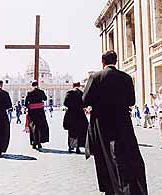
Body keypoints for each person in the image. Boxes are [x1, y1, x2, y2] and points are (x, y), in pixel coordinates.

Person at [83, 51, 148, 195]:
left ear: (102, 61)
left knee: (104, 155)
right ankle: (128, 187)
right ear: (116, 61)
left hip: (101, 122)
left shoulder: (95, 77)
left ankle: (109, 187)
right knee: (125, 153)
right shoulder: (126, 77)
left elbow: (85, 100)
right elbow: (131, 101)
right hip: (122, 121)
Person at [63, 82, 88, 154]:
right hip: (80, 114)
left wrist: (71, 106)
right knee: (80, 130)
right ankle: (78, 147)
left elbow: (65, 103)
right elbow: (85, 103)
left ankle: (70, 147)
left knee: (71, 131)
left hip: (71, 114)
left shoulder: (69, 92)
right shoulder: (81, 93)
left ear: (73, 86)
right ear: (79, 86)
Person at [25, 80, 49, 149]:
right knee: (40, 126)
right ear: (37, 85)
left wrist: (29, 107)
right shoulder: (41, 92)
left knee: (33, 127)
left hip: (32, 112)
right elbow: (45, 98)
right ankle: (39, 142)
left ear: (32, 85)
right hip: (40, 112)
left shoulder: (29, 93)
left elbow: (26, 103)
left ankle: (34, 142)